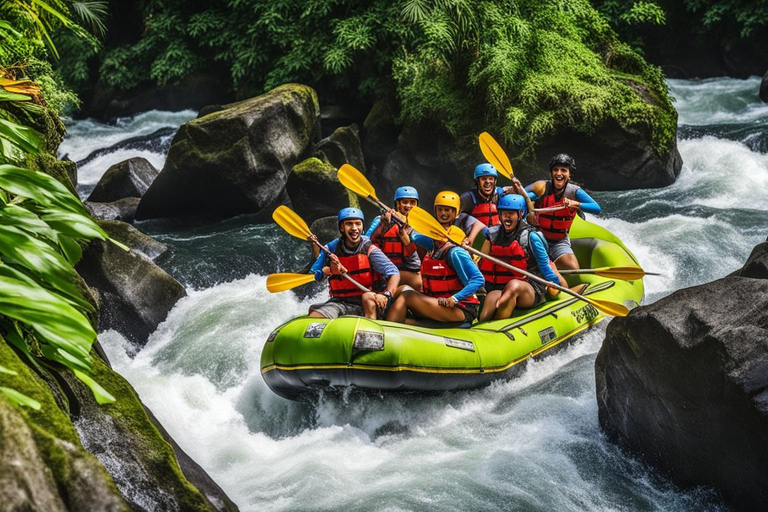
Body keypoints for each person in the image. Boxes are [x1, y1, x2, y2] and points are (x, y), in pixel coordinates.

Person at [386, 193, 484, 325]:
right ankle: (386, 319)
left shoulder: (455, 252)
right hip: (437, 302)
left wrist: (455, 298)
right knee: (402, 289)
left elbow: (478, 279)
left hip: (460, 307)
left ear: (455, 213)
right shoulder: (433, 245)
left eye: (447, 210)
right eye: (440, 209)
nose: (443, 213)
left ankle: (390, 328)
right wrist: (398, 216)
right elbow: (414, 235)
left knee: (407, 296)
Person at [477, 194, 562, 322]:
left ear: (520, 213)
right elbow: (480, 262)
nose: (506, 217)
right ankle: (481, 326)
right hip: (499, 287)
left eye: (511, 213)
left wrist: (555, 283)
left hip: (530, 287)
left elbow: (544, 265)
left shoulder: (531, 237)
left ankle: (499, 325)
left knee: (513, 286)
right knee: (491, 299)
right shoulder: (492, 235)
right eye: (503, 213)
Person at [308, 208, 399, 320]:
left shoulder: (369, 249)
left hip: (366, 302)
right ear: (342, 227)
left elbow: (393, 272)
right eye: (349, 224)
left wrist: (387, 295)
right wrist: (327, 269)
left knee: (365, 299)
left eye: (358, 224)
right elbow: (316, 275)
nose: (354, 228)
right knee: (313, 312)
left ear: (362, 226)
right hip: (339, 301)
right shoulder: (332, 248)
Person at [525, 154, 601, 270]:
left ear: (569, 174)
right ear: (551, 173)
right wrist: (530, 211)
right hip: (537, 236)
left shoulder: (574, 191)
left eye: (564, 170)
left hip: (559, 241)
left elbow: (596, 208)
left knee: (573, 268)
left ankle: (550, 266)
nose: (559, 173)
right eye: (555, 170)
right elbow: (523, 195)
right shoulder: (543, 188)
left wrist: (577, 204)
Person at [365, 186, 422, 290]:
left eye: (412, 202)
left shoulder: (420, 225)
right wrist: (383, 226)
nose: (409, 206)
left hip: (410, 270)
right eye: (405, 202)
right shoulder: (381, 220)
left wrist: (407, 239)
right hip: (386, 270)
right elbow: (365, 241)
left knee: (419, 282)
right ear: (397, 204)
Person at [460, 163, 507, 228]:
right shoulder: (467, 198)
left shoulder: (499, 193)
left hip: (496, 233)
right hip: (474, 233)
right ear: (477, 181)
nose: (487, 182)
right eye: (483, 179)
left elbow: (514, 191)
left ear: (495, 181)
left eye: (491, 179)